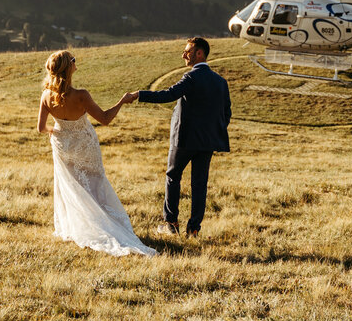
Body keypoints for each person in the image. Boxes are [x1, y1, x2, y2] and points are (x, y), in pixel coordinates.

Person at [37, 50, 155, 257]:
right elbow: (105, 118)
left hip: (63, 145)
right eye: (73, 60)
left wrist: (54, 131)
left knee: (72, 185)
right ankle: (104, 224)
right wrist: (122, 101)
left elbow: (41, 128)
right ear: (68, 67)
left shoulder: (46, 95)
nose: (76, 62)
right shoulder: (81, 95)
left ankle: (81, 224)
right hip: (85, 144)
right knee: (95, 182)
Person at [128, 37, 231, 237]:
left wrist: (139, 95)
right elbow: (226, 113)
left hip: (183, 140)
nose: (184, 54)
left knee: (173, 177)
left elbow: (168, 95)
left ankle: (171, 223)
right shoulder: (221, 82)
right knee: (199, 184)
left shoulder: (191, 78)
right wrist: (212, 131)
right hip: (207, 142)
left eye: (187, 51)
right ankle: (193, 229)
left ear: (199, 53)